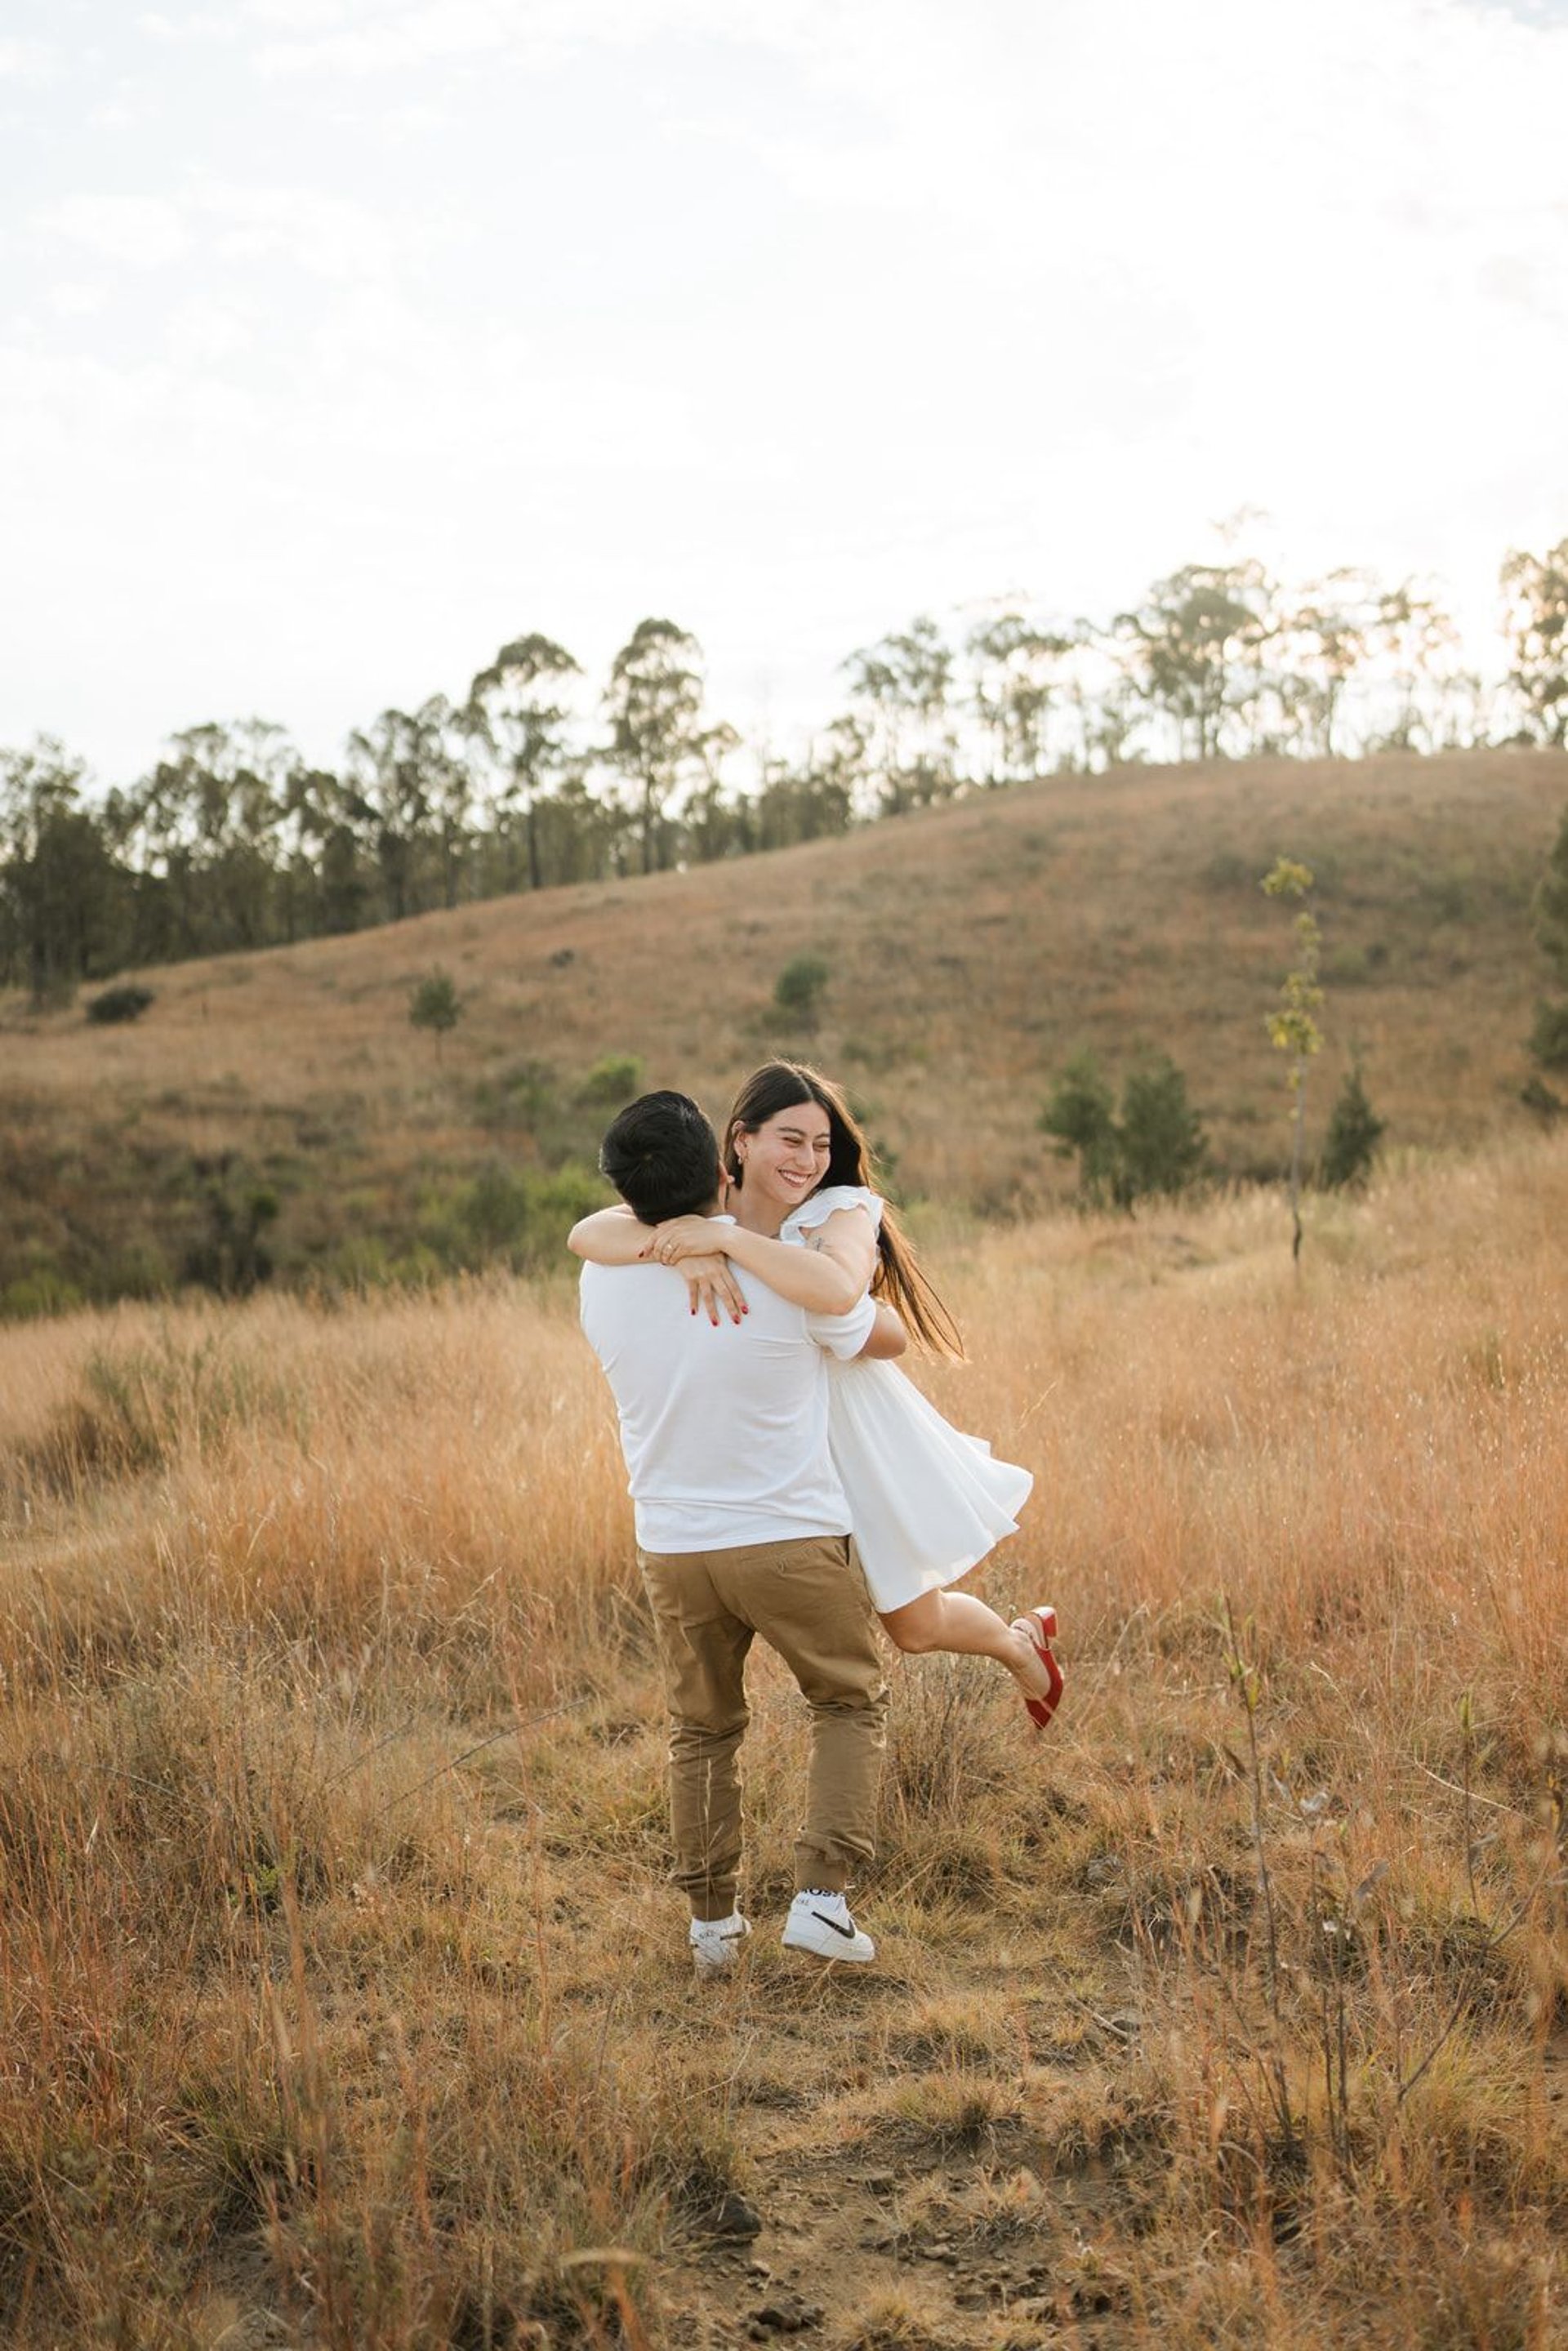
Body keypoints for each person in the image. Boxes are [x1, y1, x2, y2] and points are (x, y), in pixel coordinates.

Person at [570, 1061, 1063, 1730]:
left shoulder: (842, 1210)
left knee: (913, 1625)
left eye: (821, 1144)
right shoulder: (704, 1205)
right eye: (791, 1139)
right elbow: (586, 1233)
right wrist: (677, 1248)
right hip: (770, 1438)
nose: (808, 1160)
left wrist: (721, 1242)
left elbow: (849, 1302)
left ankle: (1017, 1644)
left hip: (849, 1426)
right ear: (740, 1142)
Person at [577, 1089, 909, 1976]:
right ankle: (822, 1900)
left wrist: (683, 1241)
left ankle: (712, 1927)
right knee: (846, 1699)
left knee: (703, 1725)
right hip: (789, 1535)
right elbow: (884, 1332)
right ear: (727, 1167)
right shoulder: (785, 1278)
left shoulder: (599, 1273)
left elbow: (591, 1231)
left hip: (672, 1546)